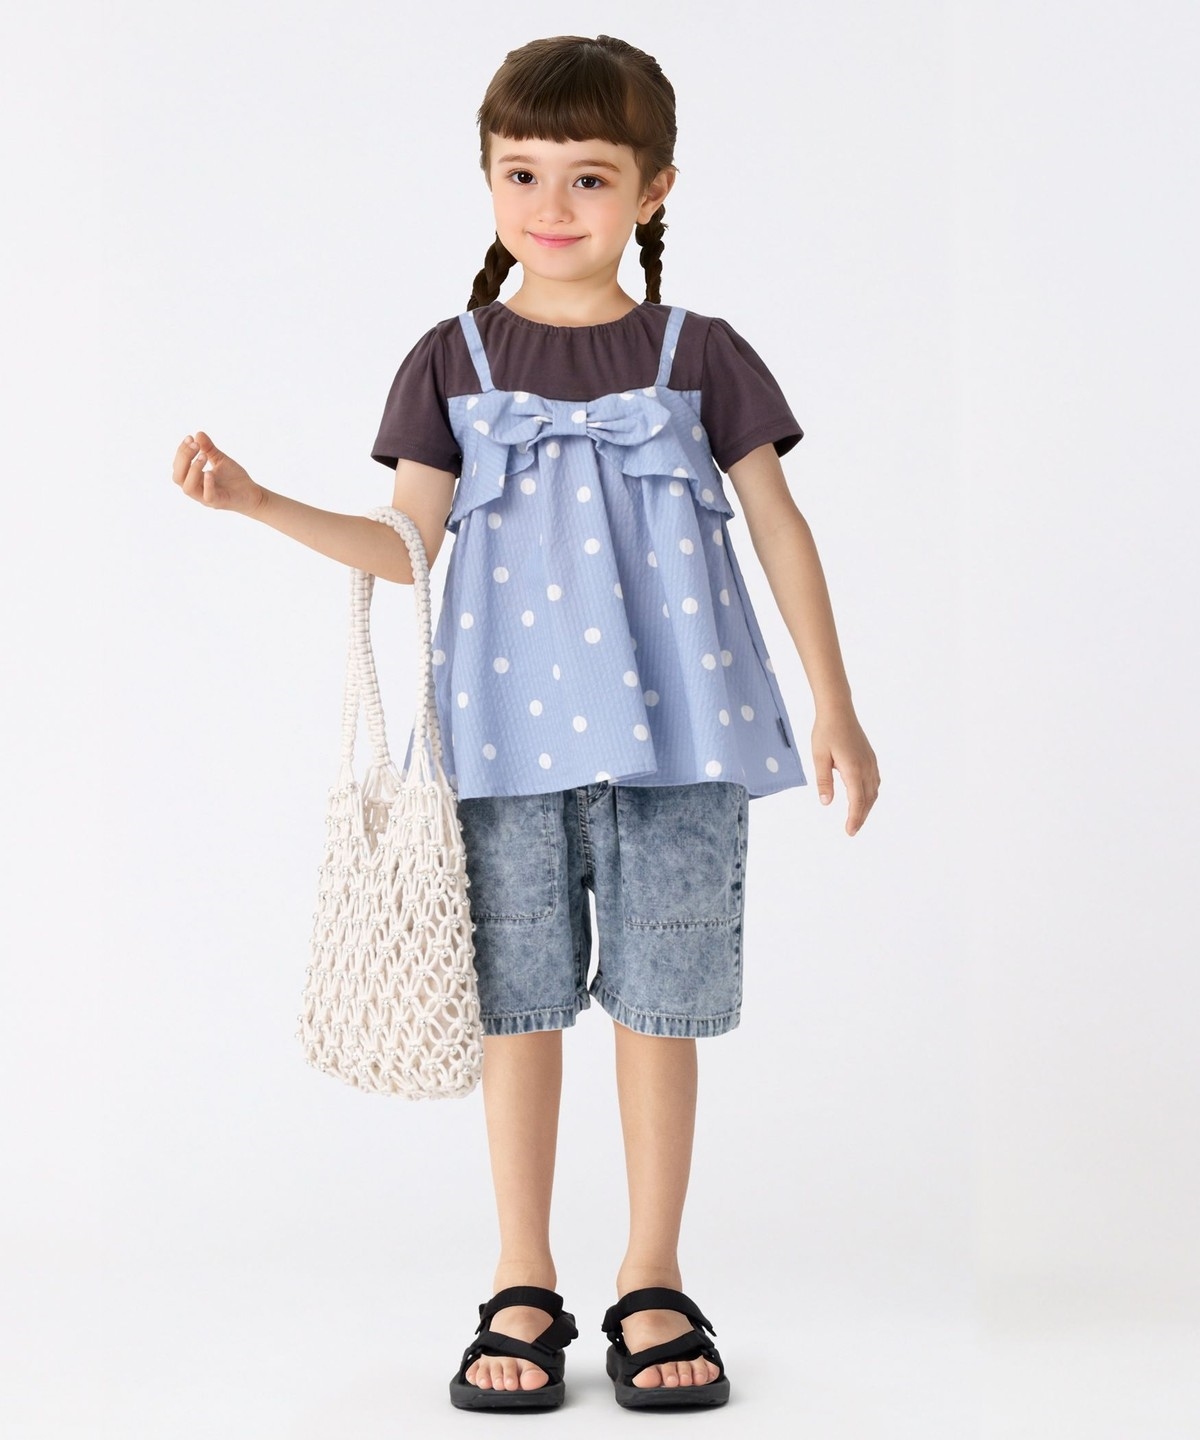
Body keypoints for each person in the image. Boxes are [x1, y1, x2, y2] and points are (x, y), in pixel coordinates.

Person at [172, 32, 879, 1413]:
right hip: (496, 744)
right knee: (518, 1007)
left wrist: (834, 702)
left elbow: (781, 527)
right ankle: (520, 1277)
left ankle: (653, 1277)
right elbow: (406, 551)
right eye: (522, 172)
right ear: (489, 180)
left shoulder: (701, 353)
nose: (553, 204)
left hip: (680, 737)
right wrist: (259, 505)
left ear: (653, 190)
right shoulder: (449, 358)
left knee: (660, 1007)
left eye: (590, 176)